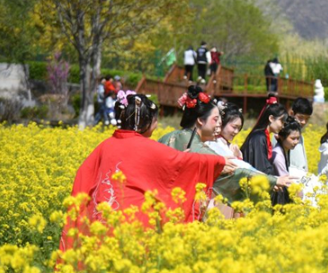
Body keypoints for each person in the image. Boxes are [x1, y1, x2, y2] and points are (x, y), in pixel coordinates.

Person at [59, 93, 236, 252]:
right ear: (145, 121)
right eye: (154, 120)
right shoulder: (149, 146)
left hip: (102, 221)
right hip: (136, 225)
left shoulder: (105, 145)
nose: (157, 124)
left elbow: (84, 175)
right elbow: (181, 163)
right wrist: (219, 162)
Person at [158, 85, 221, 152]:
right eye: (215, 120)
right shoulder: (202, 152)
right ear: (200, 120)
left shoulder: (166, 137)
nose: (218, 125)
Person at [241, 98, 288, 176]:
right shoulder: (259, 137)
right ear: (271, 118)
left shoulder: (263, 136)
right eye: (281, 122)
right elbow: (260, 168)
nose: (282, 126)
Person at [271, 117, 302, 205]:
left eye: (298, 138)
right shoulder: (277, 155)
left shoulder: (284, 150)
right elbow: (285, 180)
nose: (296, 142)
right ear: (281, 137)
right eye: (292, 138)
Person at [287, 97, 313, 173]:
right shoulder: (282, 134)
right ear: (292, 113)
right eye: (300, 117)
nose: (304, 122)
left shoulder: (300, 135)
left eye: (307, 118)